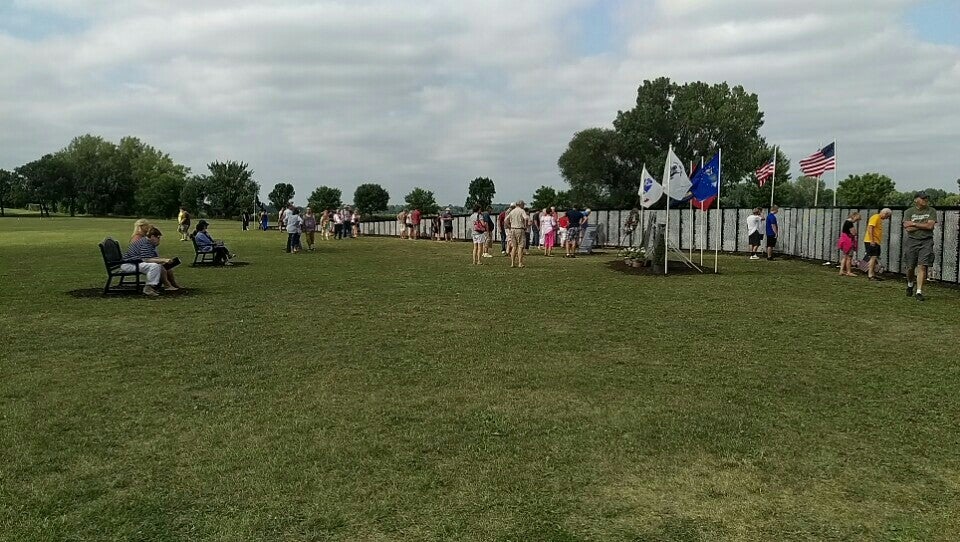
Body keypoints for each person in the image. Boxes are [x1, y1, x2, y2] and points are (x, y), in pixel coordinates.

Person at [903, 192, 938, 301]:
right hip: (912, 241)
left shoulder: (931, 211)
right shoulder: (909, 212)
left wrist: (914, 224)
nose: (925, 200)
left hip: (926, 241)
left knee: (923, 266)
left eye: (926, 198)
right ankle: (910, 284)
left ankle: (919, 292)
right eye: (923, 198)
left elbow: (930, 226)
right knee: (910, 267)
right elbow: (907, 228)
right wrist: (923, 225)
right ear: (916, 200)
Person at [125, 226, 180, 293]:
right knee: (157, 266)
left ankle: (171, 284)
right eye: (158, 238)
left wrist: (163, 260)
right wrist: (163, 260)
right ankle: (156, 287)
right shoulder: (145, 244)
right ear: (152, 236)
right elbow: (146, 259)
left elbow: (150, 258)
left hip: (135, 262)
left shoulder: (148, 243)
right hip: (130, 264)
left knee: (163, 266)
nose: (159, 240)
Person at [863, 208, 892, 281]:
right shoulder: (875, 217)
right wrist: (872, 240)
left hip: (876, 241)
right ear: (885, 213)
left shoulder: (879, 219)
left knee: (874, 257)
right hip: (872, 241)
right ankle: (870, 275)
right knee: (873, 257)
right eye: (887, 216)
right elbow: (870, 228)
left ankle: (872, 274)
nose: (887, 218)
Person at [837, 211, 861, 277]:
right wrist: (855, 233)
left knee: (844, 256)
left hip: (843, 240)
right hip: (848, 241)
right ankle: (848, 271)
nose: (856, 221)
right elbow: (854, 233)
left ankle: (841, 270)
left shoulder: (846, 222)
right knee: (849, 257)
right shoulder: (850, 223)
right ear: (854, 216)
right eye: (857, 219)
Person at [504, 201, 528, 268]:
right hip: (520, 229)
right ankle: (520, 263)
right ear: (521, 205)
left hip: (512, 229)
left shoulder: (512, 211)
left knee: (514, 247)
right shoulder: (522, 211)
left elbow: (505, 220)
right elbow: (526, 218)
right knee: (520, 246)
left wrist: (509, 226)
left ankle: (512, 263)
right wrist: (525, 226)